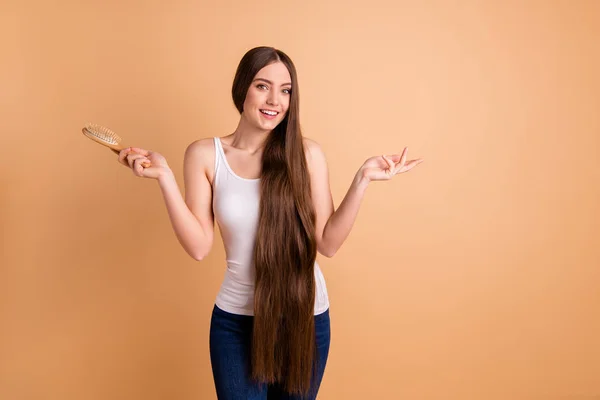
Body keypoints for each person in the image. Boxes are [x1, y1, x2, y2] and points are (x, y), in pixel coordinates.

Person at [117, 46, 423, 399]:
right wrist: (165, 179)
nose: (274, 100)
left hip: (303, 318)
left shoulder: (307, 155)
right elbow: (199, 247)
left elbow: (328, 242)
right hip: (236, 324)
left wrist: (362, 180)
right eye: (263, 86)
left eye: (285, 90)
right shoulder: (205, 155)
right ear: (242, 88)